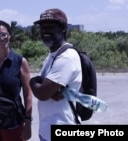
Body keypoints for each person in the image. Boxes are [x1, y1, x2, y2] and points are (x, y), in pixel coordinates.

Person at [29, 8, 82, 141]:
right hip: (47, 129)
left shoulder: (66, 57)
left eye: (50, 27)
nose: (45, 31)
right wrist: (44, 87)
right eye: (42, 27)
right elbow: (42, 85)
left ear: (63, 28)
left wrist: (32, 82)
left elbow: (42, 93)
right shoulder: (53, 54)